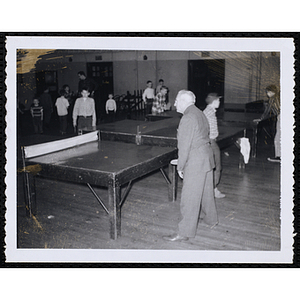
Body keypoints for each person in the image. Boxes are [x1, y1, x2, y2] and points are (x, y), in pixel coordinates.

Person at [163, 90, 218, 242]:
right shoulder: (200, 113)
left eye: (176, 101)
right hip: (206, 157)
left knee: (189, 197)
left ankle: (184, 232)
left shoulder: (187, 118)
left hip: (195, 161)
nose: (174, 103)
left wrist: (181, 166)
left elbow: (184, 146)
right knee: (207, 192)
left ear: (183, 101)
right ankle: (211, 219)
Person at [203, 93, 226, 198]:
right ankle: (213, 190)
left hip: (210, 140)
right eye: (218, 100)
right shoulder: (209, 113)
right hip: (210, 141)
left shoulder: (209, 111)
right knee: (217, 166)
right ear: (213, 102)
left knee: (213, 166)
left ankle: (211, 189)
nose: (219, 102)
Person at [254, 84, 280, 162]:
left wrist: (260, 119)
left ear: (271, 92)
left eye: (267, 92)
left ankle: (279, 156)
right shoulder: (279, 97)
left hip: (281, 116)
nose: (267, 94)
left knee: (278, 138)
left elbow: (267, 111)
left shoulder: (273, 99)